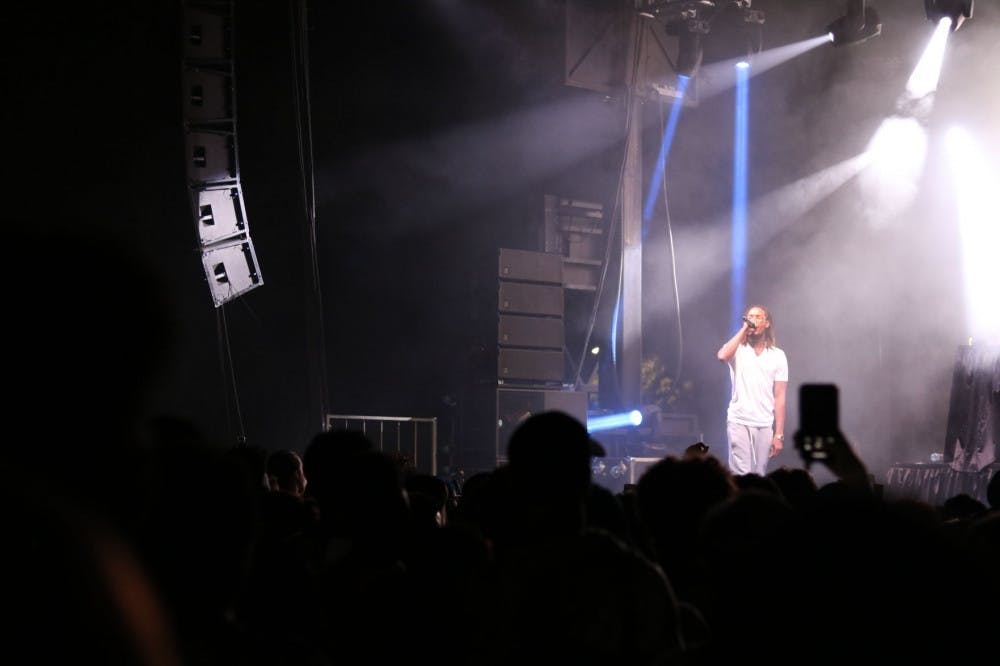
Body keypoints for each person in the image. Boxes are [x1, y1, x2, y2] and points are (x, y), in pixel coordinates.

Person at [717, 304, 788, 475]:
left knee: (759, 473)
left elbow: (780, 396)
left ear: (767, 323)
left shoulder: (778, 355)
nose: (753, 320)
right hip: (739, 420)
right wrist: (744, 330)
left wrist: (778, 434)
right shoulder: (738, 349)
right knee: (742, 472)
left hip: (764, 422)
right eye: (750, 316)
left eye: (758, 317)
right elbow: (722, 356)